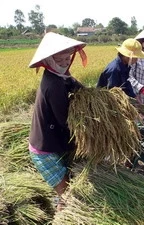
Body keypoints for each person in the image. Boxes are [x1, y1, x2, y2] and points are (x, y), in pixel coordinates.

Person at [28, 32, 87, 211]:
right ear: (48, 60)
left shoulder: (61, 76)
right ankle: (64, 218)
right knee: (67, 195)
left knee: (67, 190)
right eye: (59, 60)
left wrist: (93, 95)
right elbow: (65, 121)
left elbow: (75, 84)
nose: (65, 63)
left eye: (68, 58)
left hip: (54, 141)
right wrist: (89, 133)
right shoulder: (53, 85)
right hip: (44, 150)